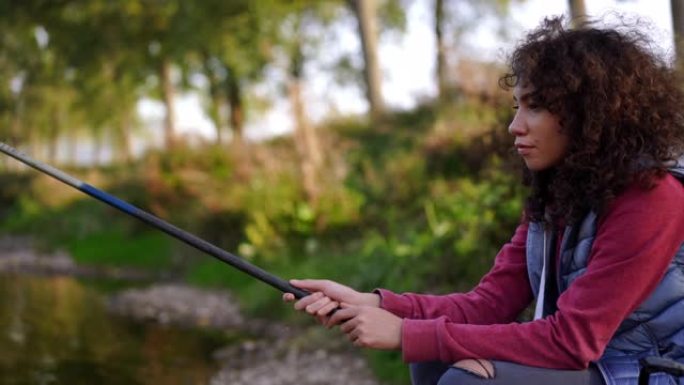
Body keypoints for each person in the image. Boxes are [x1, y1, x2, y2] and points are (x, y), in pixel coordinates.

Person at [283, 16, 684, 385]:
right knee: (430, 360)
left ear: (593, 113)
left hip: (654, 370)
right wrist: (372, 303)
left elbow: (571, 341)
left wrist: (405, 333)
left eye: (536, 107)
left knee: (462, 379)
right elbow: (488, 305)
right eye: (517, 106)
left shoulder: (652, 197)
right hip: (598, 364)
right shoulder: (559, 196)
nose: (515, 126)